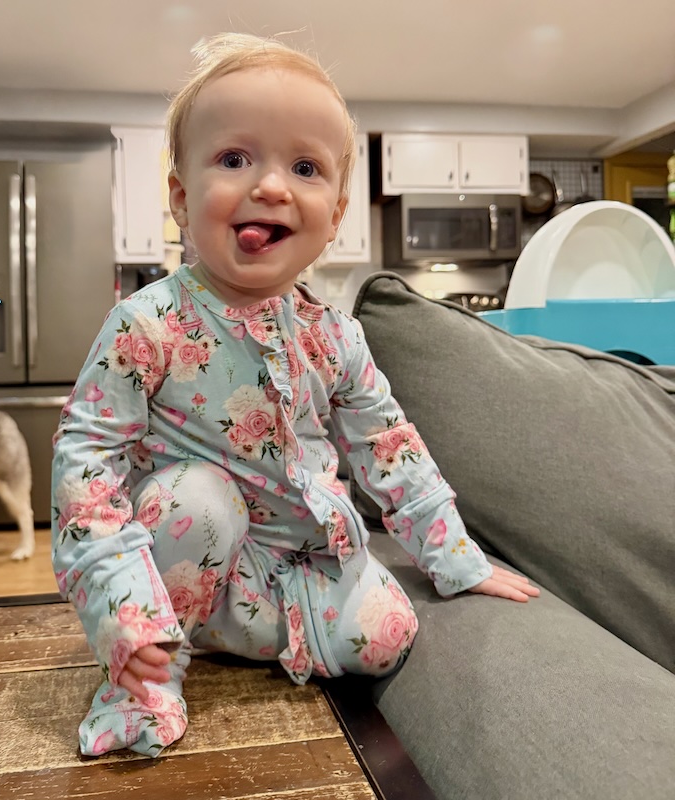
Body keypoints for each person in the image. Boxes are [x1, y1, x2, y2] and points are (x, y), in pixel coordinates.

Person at [51, 31, 539, 758]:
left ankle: (224, 633)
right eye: (235, 158)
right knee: (198, 501)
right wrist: (121, 600)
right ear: (182, 198)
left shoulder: (335, 336)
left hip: (293, 561)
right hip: (180, 549)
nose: (271, 185)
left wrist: (456, 559)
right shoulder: (146, 323)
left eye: (304, 166)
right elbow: (87, 463)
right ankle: (146, 673)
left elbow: (390, 448)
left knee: (388, 635)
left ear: (334, 215)